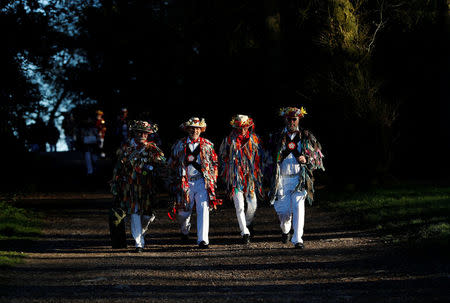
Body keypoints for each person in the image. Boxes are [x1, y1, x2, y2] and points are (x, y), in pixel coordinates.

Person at [268, 107, 325, 249]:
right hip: (281, 180)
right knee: (283, 212)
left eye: (294, 119)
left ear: (299, 119)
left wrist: (306, 159)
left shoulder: (306, 136)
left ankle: (298, 239)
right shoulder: (276, 136)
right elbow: (267, 156)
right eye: (289, 119)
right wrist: (275, 159)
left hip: (299, 179)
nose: (292, 121)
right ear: (285, 119)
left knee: (299, 208)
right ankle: (285, 229)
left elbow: (317, 157)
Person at [111, 120, 166, 252]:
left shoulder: (153, 149)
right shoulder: (126, 149)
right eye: (139, 132)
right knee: (134, 212)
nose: (142, 135)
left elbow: (163, 165)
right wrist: (115, 184)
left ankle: (142, 232)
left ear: (148, 135)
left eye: (145, 133)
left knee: (147, 216)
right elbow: (117, 168)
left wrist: (156, 166)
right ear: (134, 134)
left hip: (148, 188)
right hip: (130, 188)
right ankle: (138, 243)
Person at [168, 117, 222, 249]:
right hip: (184, 183)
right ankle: (185, 229)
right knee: (183, 213)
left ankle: (203, 240)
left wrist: (212, 179)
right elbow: (171, 162)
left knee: (203, 209)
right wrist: (172, 180)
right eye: (192, 128)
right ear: (187, 129)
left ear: (201, 130)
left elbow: (214, 162)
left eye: (197, 128)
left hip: (201, 181)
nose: (195, 131)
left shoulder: (207, 145)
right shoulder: (179, 145)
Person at [219, 114, 264, 244]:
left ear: (249, 127)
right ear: (235, 128)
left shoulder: (255, 139)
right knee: (239, 206)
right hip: (235, 178)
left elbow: (261, 156)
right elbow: (222, 156)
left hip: (250, 178)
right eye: (240, 128)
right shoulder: (228, 140)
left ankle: (248, 223)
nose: (243, 130)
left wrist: (259, 172)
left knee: (252, 205)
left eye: (245, 127)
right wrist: (228, 170)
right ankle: (244, 232)